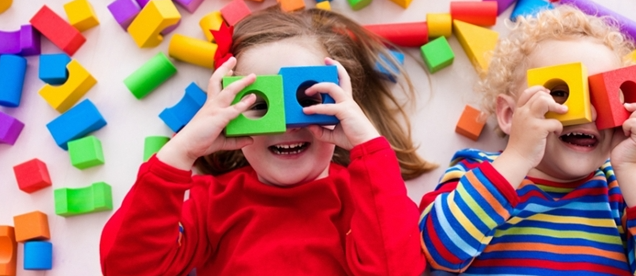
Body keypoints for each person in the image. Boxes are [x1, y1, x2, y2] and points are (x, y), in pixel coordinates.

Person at [100, 6, 435, 276]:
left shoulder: (363, 199)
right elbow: (127, 268)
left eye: (308, 102)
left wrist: (369, 150)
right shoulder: (211, 203)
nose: (287, 126)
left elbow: (396, 270)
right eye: (260, 105)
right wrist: (180, 151)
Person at [418, 6, 636, 275]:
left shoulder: (624, 194)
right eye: (561, 92)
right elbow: (439, 250)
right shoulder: (478, 171)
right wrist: (518, 156)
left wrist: (633, 169)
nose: (588, 113)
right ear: (509, 115)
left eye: (604, 96)